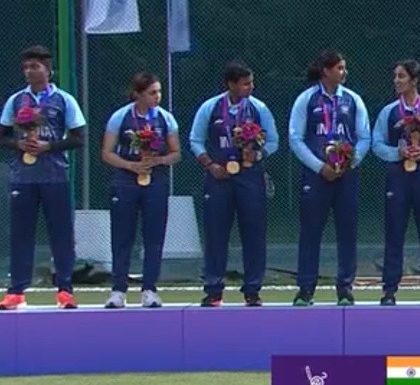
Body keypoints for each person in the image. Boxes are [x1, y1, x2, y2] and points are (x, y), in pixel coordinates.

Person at [0, 45, 86, 310]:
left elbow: (79, 138)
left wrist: (48, 146)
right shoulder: (16, 101)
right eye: (26, 67)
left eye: (34, 67)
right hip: (22, 178)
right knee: (21, 234)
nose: (29, 72)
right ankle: (16, 291)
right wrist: (19, 145)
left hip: (55, 176)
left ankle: (65, 290)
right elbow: (2, 135)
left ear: (47, 70)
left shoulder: (64, 100)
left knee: (60, 234)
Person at [188, 61, 280, 307]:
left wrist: (258, 155)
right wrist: (210, 165)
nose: (251, 87)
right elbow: (195, 140)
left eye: (251, 82)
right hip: (219, 176)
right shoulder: (211, 107)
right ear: (231, 84)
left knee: (254, 233)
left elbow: (273, 141)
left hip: (250, 175)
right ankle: (214, 289)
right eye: (245, 83)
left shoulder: (259, 108)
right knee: (216, 233)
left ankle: (252, 289)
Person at [289, 50, 371, 306]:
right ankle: (305, 289)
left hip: (346, 176)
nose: (344, 73)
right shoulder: (307, 99)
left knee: (347, 232)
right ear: (326, 71)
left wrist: (350, 162)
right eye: (340, 68)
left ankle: (345, 288)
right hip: (317, 176)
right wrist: (318, 166)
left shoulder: (354, 100)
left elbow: (364, 136)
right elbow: (295, 138)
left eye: (344, 68)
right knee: (310, 232)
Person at [99, 72, 182, 309]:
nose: (158, 97)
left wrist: (158, 161)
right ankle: (118, 290)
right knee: (122, 236)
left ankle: (149, 289)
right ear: (138, 94)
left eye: (159, 92)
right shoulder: (121, 116)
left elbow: (176, 153)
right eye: (152, 92)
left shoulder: (165, 119)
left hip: (155, 181)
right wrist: (131, 165)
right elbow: (106, 153)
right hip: (125, 181)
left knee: (154, 236)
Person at [372, 60, 420, 305]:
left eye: (401, 76)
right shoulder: (389, 112)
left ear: (414, 80)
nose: (396, 81)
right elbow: (377, 143)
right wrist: (398, 153)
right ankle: (389, 289)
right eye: (395, 76)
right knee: (394, 231)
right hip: (398, 176)